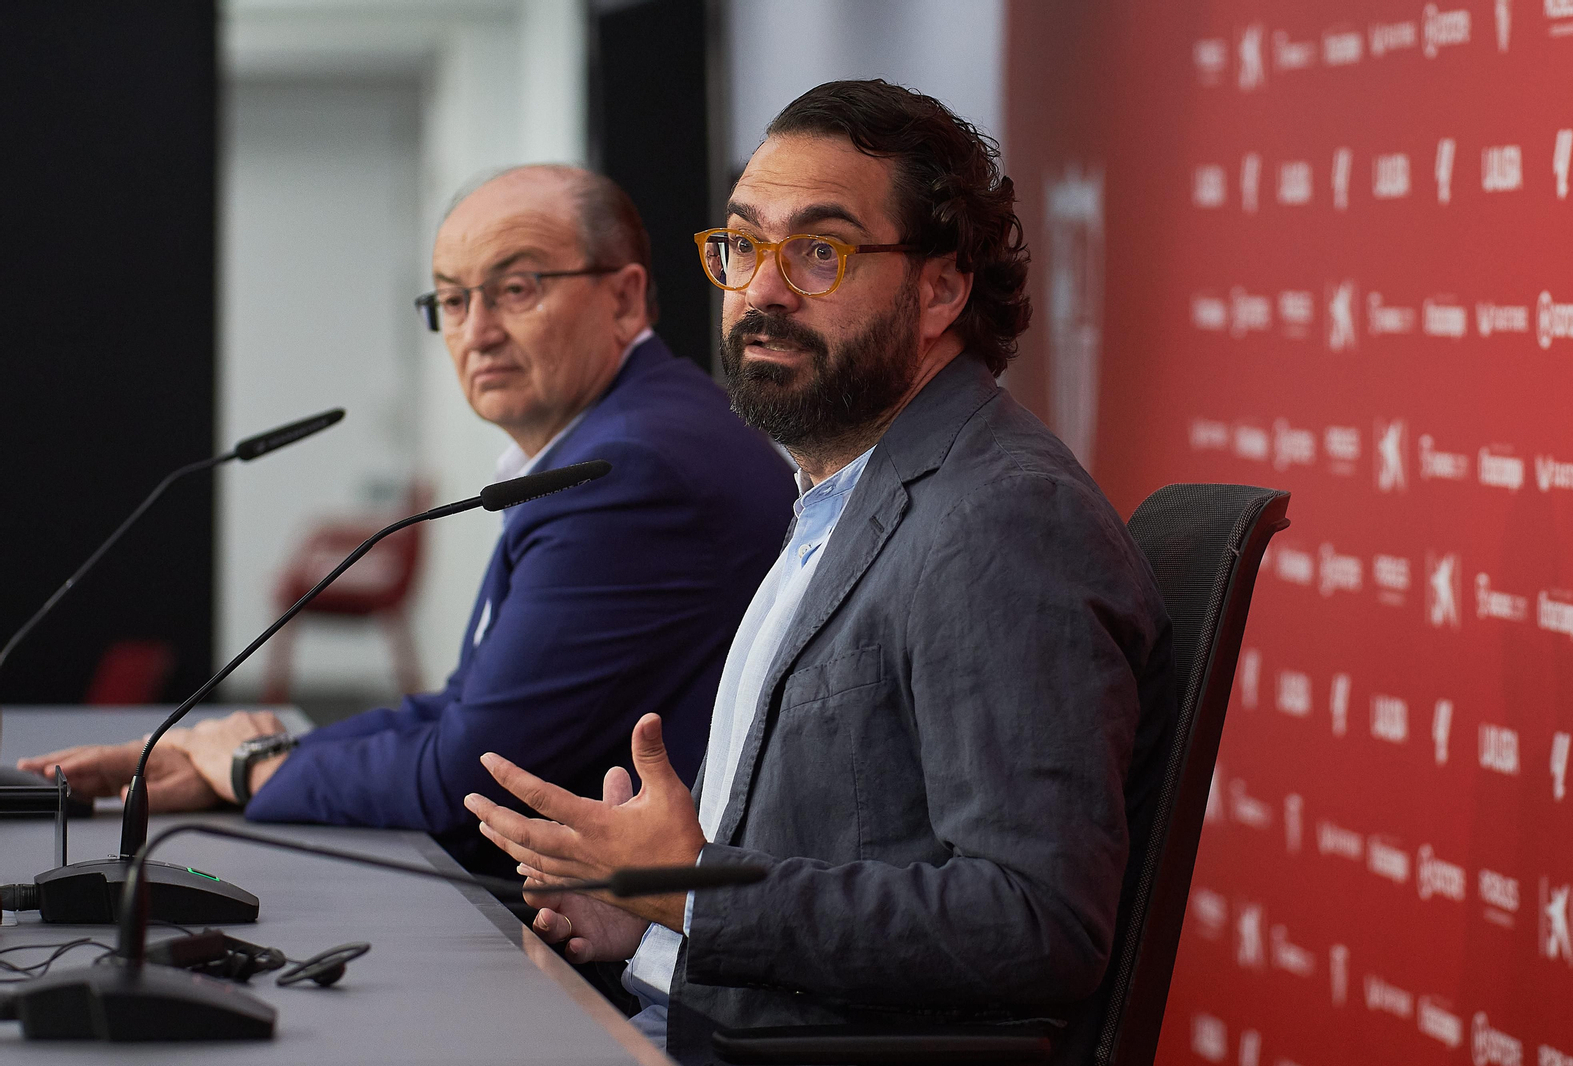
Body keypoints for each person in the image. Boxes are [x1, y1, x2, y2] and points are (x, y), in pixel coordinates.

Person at [462, 81, 1176, 1062]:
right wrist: (651, 914)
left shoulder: (1000, 517)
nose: (763, 290)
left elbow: (1034, 922)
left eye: (819, 251)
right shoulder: (841, 493)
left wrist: (694, 891)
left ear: (941, 288)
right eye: (743, 245)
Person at [19, 165, 797, 874]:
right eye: (453, 300)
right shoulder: (636, 431)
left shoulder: (626, 469)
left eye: (516, 289)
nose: (476, 331)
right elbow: (466, 708)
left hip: (641, 955)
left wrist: (254, 766)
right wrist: (230, 757)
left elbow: (467, 777)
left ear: (624, 298)